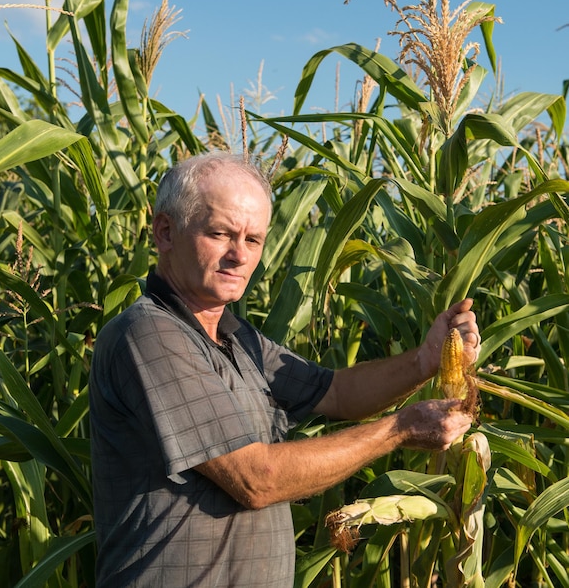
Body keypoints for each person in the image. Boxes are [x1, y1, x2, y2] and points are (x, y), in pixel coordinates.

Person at [89, 151, 480, 588]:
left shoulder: (240, 340)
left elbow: (336, 393)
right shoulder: (148, 335)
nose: (239, 255)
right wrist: (399, 429)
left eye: (253, 240)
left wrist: (424, 360)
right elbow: (256, 479)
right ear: (165, 232)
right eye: (220, 234)